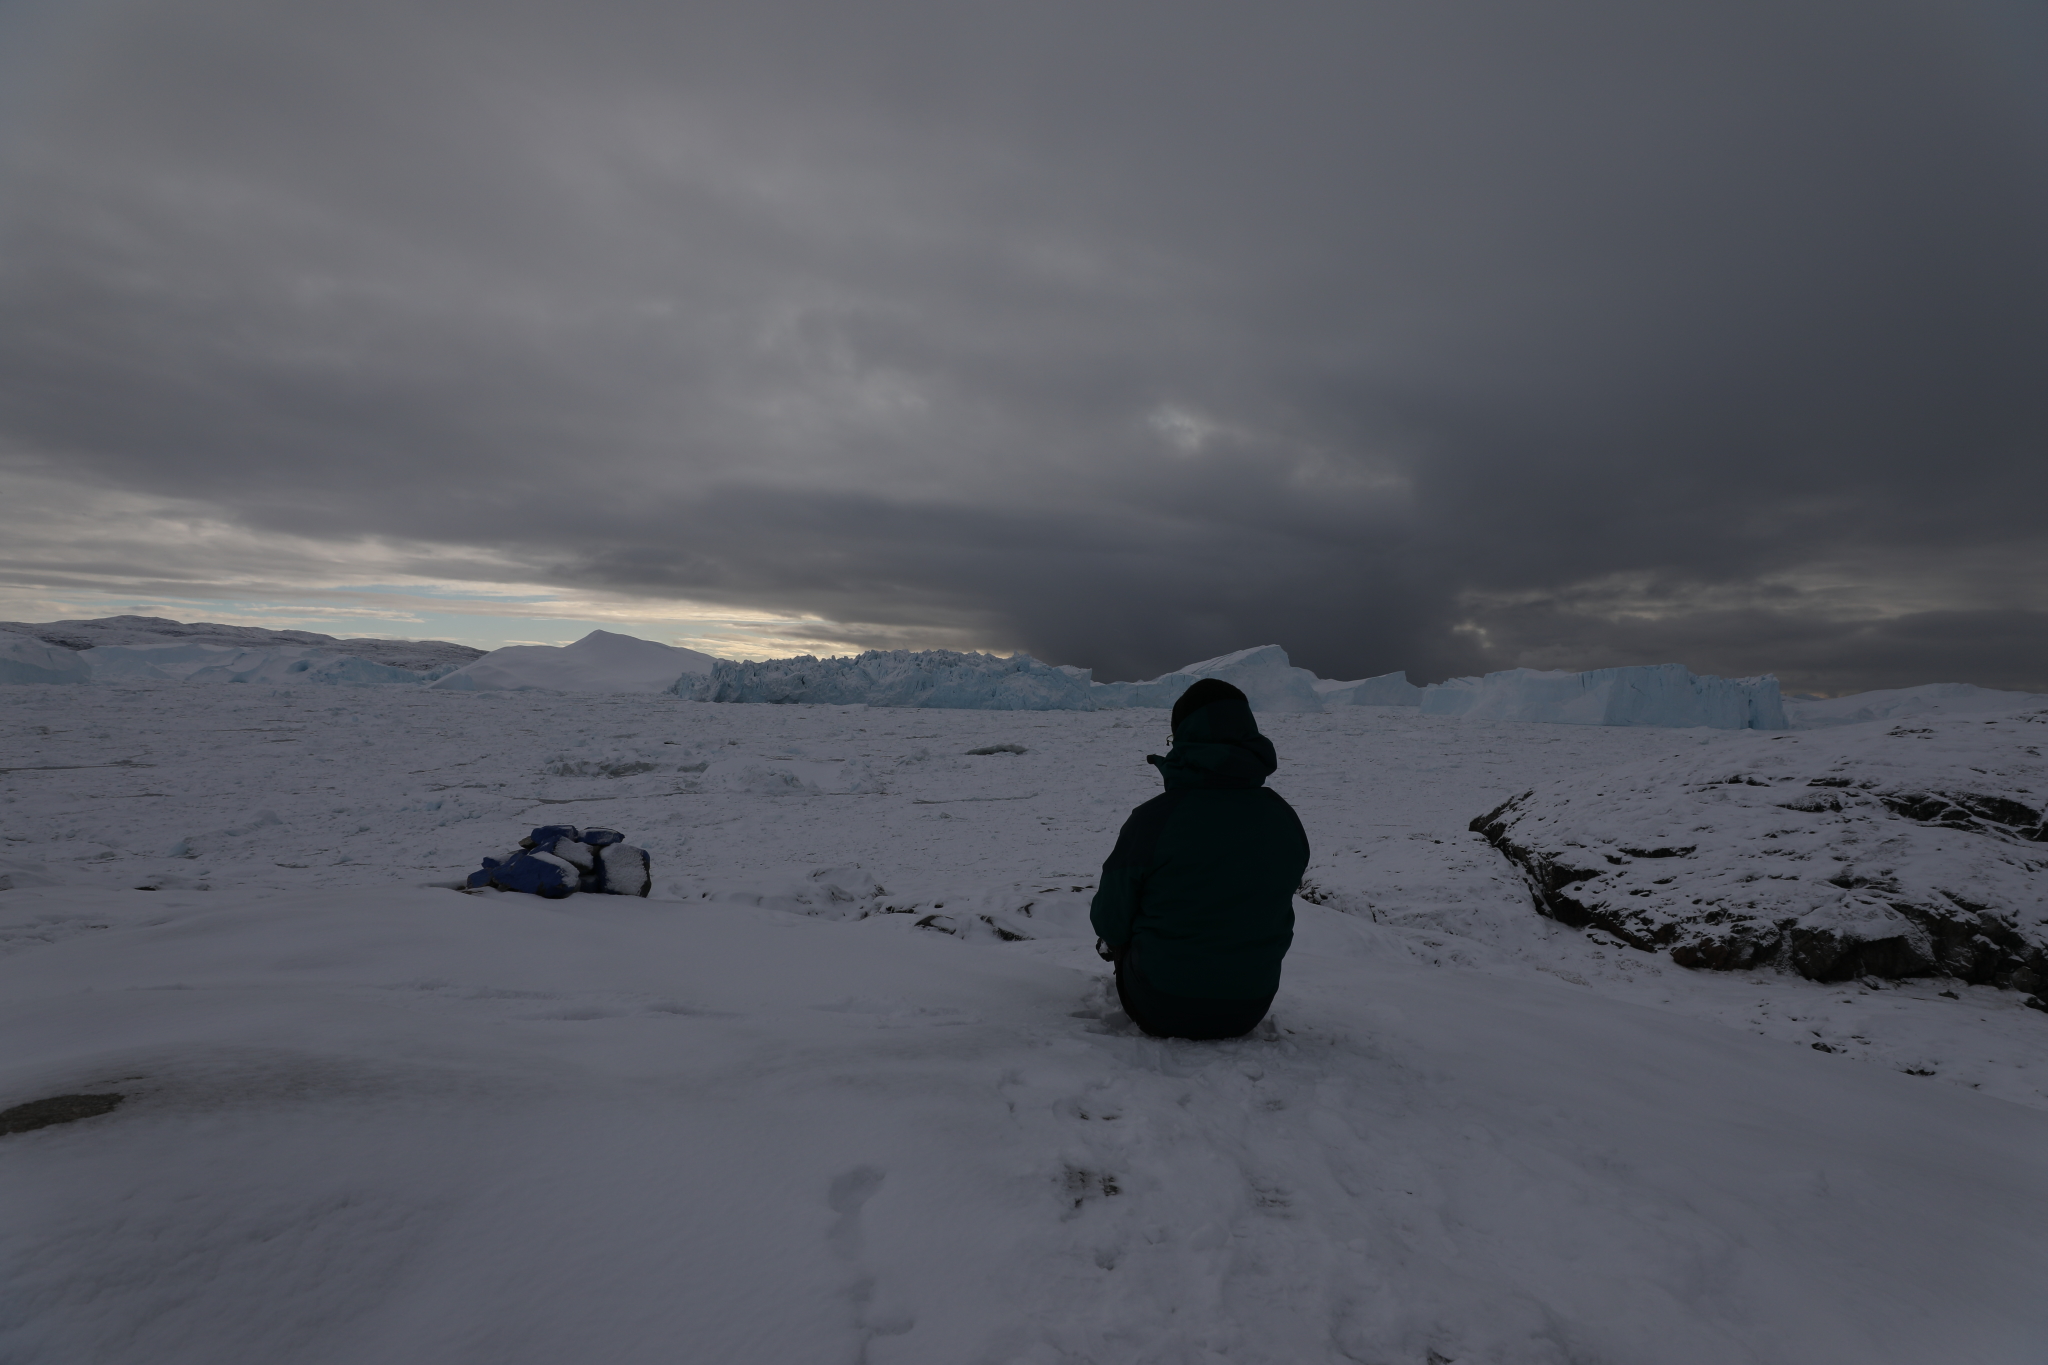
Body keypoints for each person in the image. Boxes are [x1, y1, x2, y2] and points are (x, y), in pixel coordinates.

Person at [1089, 678, 1311, 1040]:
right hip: (1250, 1007)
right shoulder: (1284, 817)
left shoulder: (1154, 819)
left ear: (1183, 740)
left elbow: (1109, 920)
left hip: (1160, 1006)